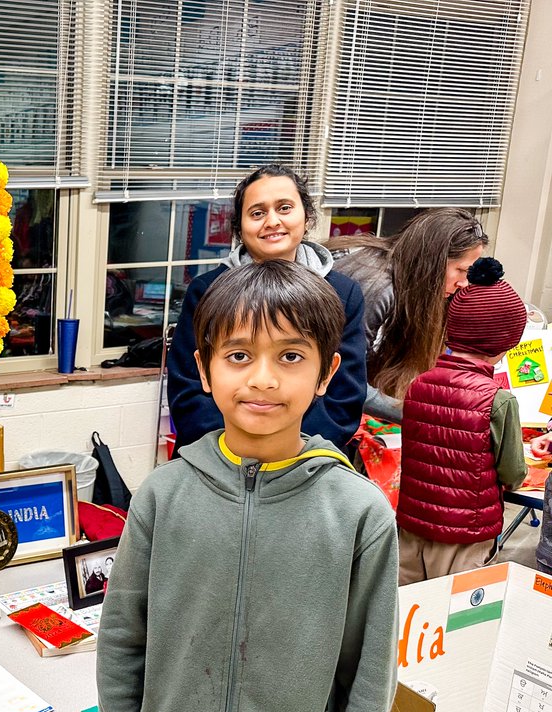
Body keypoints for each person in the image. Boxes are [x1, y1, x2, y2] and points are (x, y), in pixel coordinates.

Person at [98, 261, 397, 712]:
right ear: (204, 370)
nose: (263, 379)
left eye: (291, 355)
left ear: (326, 373)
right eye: (238, 355)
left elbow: (366, 684)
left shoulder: (358, 514)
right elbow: (124, 644)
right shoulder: (163, 497)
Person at [167, 164, 367, 456]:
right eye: (257, 213)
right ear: (239, 227)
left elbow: (344, 398)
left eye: (284, 208)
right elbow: (188, 389)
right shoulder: (206, 290)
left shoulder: (342, 293)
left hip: (303, 461)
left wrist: (285, 453)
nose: (272, 221)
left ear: (307, 216)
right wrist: (235, 452)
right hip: (215, 456)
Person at [395, 258, 527, 585]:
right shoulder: (497, 399)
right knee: (460, 621)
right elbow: (513, 472)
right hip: (466, 535)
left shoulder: (420, 384)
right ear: (506, 342)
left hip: (412, 527)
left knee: (411, 616)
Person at [330, 208, 488, 414]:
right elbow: (344, 380)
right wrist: (419, 415)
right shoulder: (376, 285)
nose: (464, 283)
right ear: (432, 261)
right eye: (461, 270)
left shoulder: (410, 280)